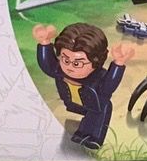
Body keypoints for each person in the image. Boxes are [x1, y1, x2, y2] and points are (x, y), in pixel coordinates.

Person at [33, 22, 133, 150]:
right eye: (65, 60)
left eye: (77, 64)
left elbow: (109, 86)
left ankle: (92, 137)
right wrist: (44, 43)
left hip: (93, 106)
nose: (69, 67)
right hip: (72, 103)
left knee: (102, 108)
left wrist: (118, 63)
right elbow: (48, 66)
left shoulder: (97, 80)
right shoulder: (60, 71)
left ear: (96, 61)